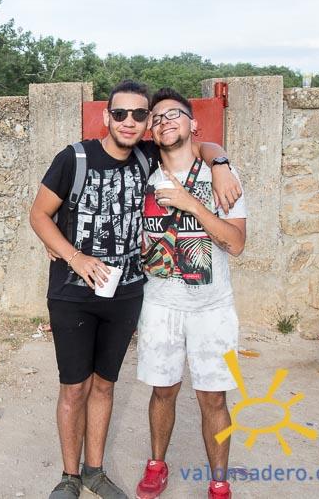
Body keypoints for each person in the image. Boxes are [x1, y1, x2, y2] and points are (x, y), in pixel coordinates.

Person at [29, 80, 241, 499]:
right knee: (74, 387)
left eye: (140, 115)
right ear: (106, 116)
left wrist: (220, 162)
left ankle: (94, 471)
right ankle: (69, 477)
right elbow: (39, 215)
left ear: (147, 124)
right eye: (121, 113)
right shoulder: (74, 157)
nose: (130, 121)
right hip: (73, 292)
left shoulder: (148, 157)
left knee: (105, 385)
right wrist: (73, 256)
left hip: (126, 293)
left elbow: (200, 145)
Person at [134, 88, 246, 499]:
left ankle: (219, 482)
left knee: (213, 398)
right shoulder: (144, 175)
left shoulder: (222, 177)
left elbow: (236, 243)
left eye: (174, 114)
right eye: (157, 117)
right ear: (151, 129)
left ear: (193, 123)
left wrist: (193, 203)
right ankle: (157, 464)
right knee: (162, 390)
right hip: (160, 305)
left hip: (212, 308)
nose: (165, 121)